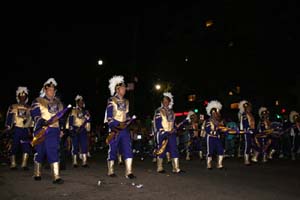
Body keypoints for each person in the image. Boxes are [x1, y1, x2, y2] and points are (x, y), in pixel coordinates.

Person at [30, 78, 66, 184]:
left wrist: (62, 129)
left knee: (53, 150)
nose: (52, 91)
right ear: (45, 90)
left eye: (53, 90)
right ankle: (37, 173)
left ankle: (56, 176)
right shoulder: (38, 101)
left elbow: (61, 118)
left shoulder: (58, 103)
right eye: (49, 89)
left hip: (54, 130)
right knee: (40, 152)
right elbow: (35, 114)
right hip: (41, 130)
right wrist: (42, 121)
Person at [104, 75, 136, 179]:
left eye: (124, 88)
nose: (124, 90)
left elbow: (126, 115)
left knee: (128, 148)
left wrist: (129, 119)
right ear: (117, 90)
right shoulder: (111, 100)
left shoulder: (126, 101)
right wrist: (115, 126)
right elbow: (109, 117)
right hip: (115, 128)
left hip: (124, 129)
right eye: (122, 88)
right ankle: (111, 170)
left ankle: (129, 172)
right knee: (113, 149)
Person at [153, 92, 188, 174]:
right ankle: (160, 167)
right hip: (162, 133)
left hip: (171, 133)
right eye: (164, 101)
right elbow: (157, 122)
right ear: (162, 102)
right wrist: (162, 131)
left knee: (174, 149)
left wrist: (174, 129)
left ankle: (176, 168)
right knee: (161, 150)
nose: (166, 102)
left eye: (167, 101)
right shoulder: (159, 111)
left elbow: (174, 124)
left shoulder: (172, 112)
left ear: (169, 102)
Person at [5, 86, 32, 170]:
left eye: (24, 96)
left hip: (25, 129)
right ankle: (13, 164)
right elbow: (9, 117)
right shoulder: (13, 106)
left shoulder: (29, 107)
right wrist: (8, 126)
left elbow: (32, 119)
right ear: (18, 96)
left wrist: (31, 129)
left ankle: (24, 164)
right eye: (21, 96)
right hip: (16, 129)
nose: (22, 97)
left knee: (26, 146)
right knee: (14, 146)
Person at [68, 95, 91, 168]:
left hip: (83, 130)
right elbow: (70, 121)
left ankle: (84, 162)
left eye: (82, 102)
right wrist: (71, 130)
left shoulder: (85, 111)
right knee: (75, 145)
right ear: (77, 103)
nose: (81, 103)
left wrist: (87, 119)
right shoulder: (73, 110)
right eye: (79, 102)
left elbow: (88, 120)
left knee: (84, 145)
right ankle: (74, 162)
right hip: (75, 130)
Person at [204, 100, 225, 169]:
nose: (216, 115)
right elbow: (207, 130)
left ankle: (219, 164)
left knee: (220, 149)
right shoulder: (208, 121)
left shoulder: (219, 122)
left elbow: (221, 129)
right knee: (210, 151)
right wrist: (215, 131)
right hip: (210, 137)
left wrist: (224, 130)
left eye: (216, 113)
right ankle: (208, 164)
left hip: (217, 138)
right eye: (214, 113)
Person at [238, 100, 255, 165]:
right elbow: (244, 123)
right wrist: (247, 129)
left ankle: (251, 157)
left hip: (251, 131)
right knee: (247, 144)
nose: (249, 108)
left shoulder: (250, 114)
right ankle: (246, 159)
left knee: (251, 144)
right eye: (247, 107)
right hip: (246, 131)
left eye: (249, 107)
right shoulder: (244, 114)